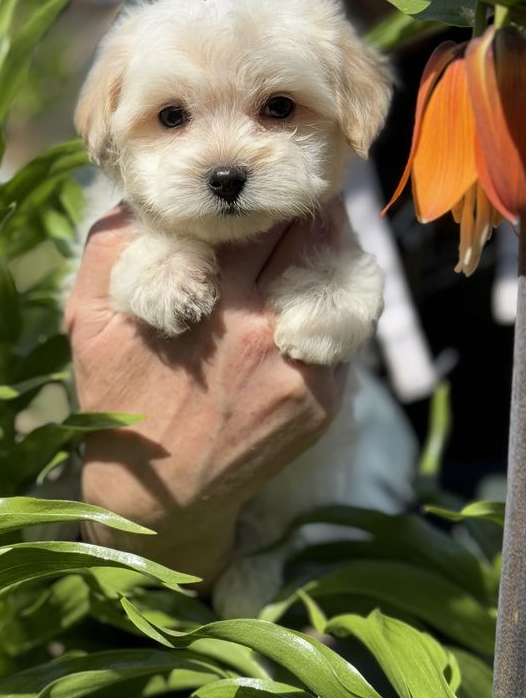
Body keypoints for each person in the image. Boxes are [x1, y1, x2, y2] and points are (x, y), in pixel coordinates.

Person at [64, 202, 349, 588]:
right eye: (170, 133)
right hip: (114, 534)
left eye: (276, 133)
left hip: (305, 520)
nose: (226, 167)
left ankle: (262, 548)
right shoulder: (127, 233)